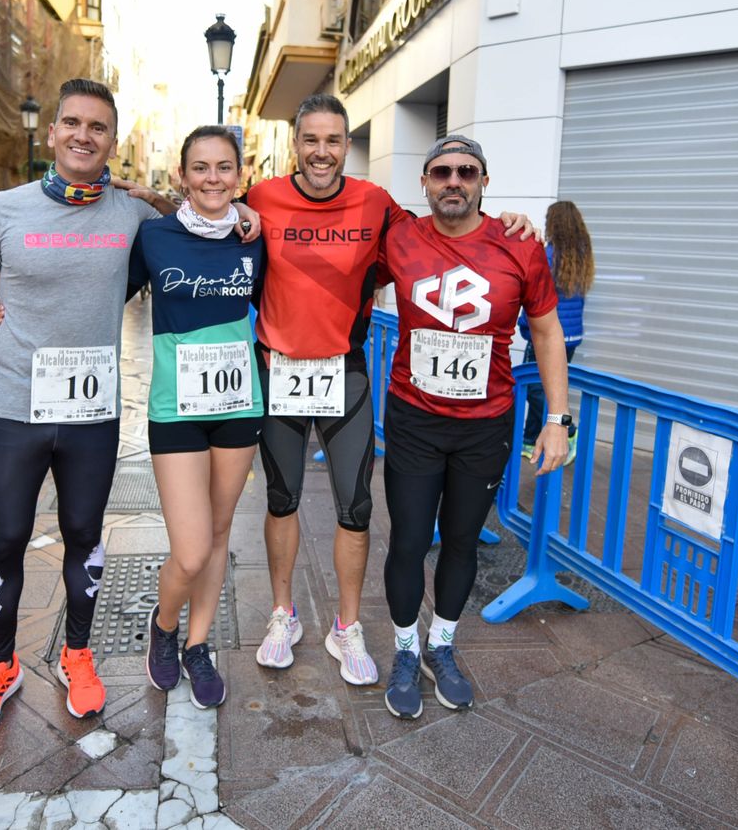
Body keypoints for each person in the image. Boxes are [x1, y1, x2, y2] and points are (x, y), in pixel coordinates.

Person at [0, 79, 260, 740]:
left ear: (113, 141)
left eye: (99, 128)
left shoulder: (132, 216)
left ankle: (76, 655)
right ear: (54, 132)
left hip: (91, 413)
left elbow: (194, 221)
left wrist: (247, 214)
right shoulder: (3, 210)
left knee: (85, 537)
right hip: (10, 406)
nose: (85, 136)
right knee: (4, 540)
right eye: (73, 124)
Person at [241, 94, 537, 688]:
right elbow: (208, 223)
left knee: (355, 507)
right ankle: (283, 615)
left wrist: (511, 220)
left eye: (333, 140)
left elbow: (447, 227)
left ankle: (345, 627)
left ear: (347, 146)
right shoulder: (262, 197)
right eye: (310, 139)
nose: (321, 151)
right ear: (295, 144)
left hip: (344, 373)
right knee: (282, 500)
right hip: (280, 372)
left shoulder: (377, 204)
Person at [376, 135, 573, 719]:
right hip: (413, 418)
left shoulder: (519, 245)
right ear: (425, 183)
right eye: (442, 172)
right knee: (410, 541)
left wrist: (557, 419)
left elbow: (546, 332)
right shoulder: (401, 237)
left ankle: (443, 644)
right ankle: (406, 649)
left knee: (462, 541)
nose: (453, 181)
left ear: (485, 181)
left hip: (486, 423)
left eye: (467, 171)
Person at [132, 127, 264, 710]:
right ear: (183, 175)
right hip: (175, 410)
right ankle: (164, 628)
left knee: (216, 533)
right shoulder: (154, 235)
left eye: (224, 167)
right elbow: (100, 293)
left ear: (240, 173)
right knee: (188, 549)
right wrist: (18, 303)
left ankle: (198, 644)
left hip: (239, 406)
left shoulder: (256, 235)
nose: (214, 179)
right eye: (201, 168)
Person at [519, 201, 593, 459]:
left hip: (550, 336)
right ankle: (529, 438)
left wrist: (525, 327)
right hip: (572, 337)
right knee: (551, 385)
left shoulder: (549, 255)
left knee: (533, 388)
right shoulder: (581, 255)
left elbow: (536, 299)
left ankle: (567, 427)